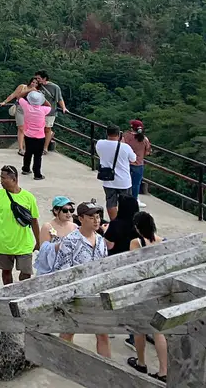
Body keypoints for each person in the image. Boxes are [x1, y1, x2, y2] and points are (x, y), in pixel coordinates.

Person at [56, 201, 110, 359]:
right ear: (80, 218)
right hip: (76, 297)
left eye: (98, 217)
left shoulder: (101, 240)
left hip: (97, 296)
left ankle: (107, 370)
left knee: (103, 334)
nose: (96, 220)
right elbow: (62, 272)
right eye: (91, 217)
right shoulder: (70, 241)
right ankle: (62, 363)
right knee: (68, 332)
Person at [0, 165, 41, 285]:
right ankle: (8, 294)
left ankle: (22, 293)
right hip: (4, 243)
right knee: (6, 271)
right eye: (1, 178)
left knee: (26, 272)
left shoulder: (29, 198)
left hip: (23, 243)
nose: (1, 181)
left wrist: (38, 241)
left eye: (4, 178)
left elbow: (34, 221)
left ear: (14, 179)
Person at [128, 211, 169, 382]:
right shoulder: (163, 242)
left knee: (139, 329)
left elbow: (133, 267)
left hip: (143, 291)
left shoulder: (136, 243)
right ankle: (163, 370)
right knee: (159, 332)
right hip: (160, 289)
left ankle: (142, 362)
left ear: (137, 228)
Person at [97, 124, 138, 218]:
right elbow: (133, 159)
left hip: (108, 179)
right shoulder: (125, 147)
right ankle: (126, 221)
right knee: (126, 203)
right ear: (119, 134)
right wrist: (122, 143)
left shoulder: (100, 143)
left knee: (111, 202)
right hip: (124, 180)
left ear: (107, 133)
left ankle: (114, 222)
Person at [0, 78, 40, 155]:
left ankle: (28, 147)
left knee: (28, 129)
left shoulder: (37, 91)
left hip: (30, 111)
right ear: (30, 82)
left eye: (36, 83)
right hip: (20, 109)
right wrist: (4, 102)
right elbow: (15, 95)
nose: (34, 84)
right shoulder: (23, 87)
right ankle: (21, 148)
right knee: (21, 128)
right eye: (33, 82)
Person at [18, 90, 51, 180]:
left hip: (28, 135)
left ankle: (26, 168)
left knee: (28, 153)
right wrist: (42, 98)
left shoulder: (26, 107)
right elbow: (49, 106)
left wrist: (30, 90)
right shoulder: (43, 109)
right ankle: (37, 174)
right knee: (38, 156)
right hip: (40, 136)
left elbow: (19, 96)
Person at [33, 71, 66, 153]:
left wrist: (64, 108)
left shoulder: (55, 87)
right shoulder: (37, 86)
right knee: (38, 129)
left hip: (50, 112)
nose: (37, 80)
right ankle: (37, 146)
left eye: (39, 78)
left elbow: (59, 98)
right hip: (38, 111)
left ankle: (45, 148)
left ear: (44, 78)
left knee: (47, 129)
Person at [122, 119, 152, 202]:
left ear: (132, 127)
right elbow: (147, 152)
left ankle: (123, 198)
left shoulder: (125, 136)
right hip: (138, 164)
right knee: (136, 184)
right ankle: (134, 201)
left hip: (125, 163)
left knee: (124, 182)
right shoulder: (144, 139)